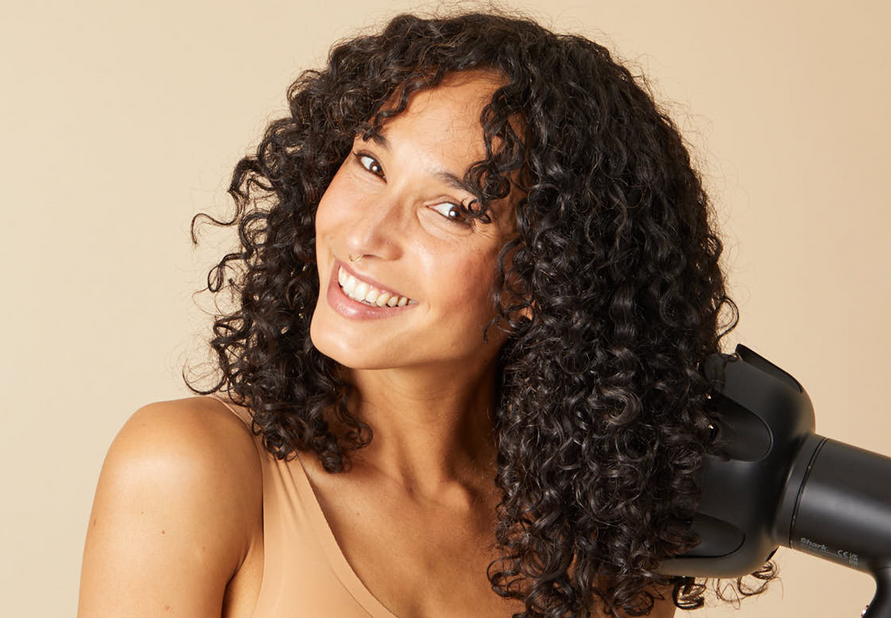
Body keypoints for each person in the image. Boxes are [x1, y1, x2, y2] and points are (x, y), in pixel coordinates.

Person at [77, 9, 777, 618]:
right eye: (370, 164)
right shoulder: (192, 467)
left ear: (547, 279)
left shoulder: (598, 536)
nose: (364, 235)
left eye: (450, 210)